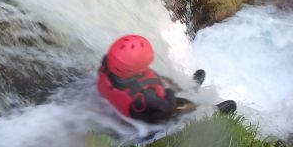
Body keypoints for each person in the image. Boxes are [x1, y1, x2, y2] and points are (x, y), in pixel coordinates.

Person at [97, 34, 234, 121]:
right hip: (149, 115)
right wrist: (169, 91)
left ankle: (189, 88)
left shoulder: (107, 64)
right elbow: (167, 106)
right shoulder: (146, 97)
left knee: (164, 81)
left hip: (122, 102)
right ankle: (211, 112)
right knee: (184, 106)